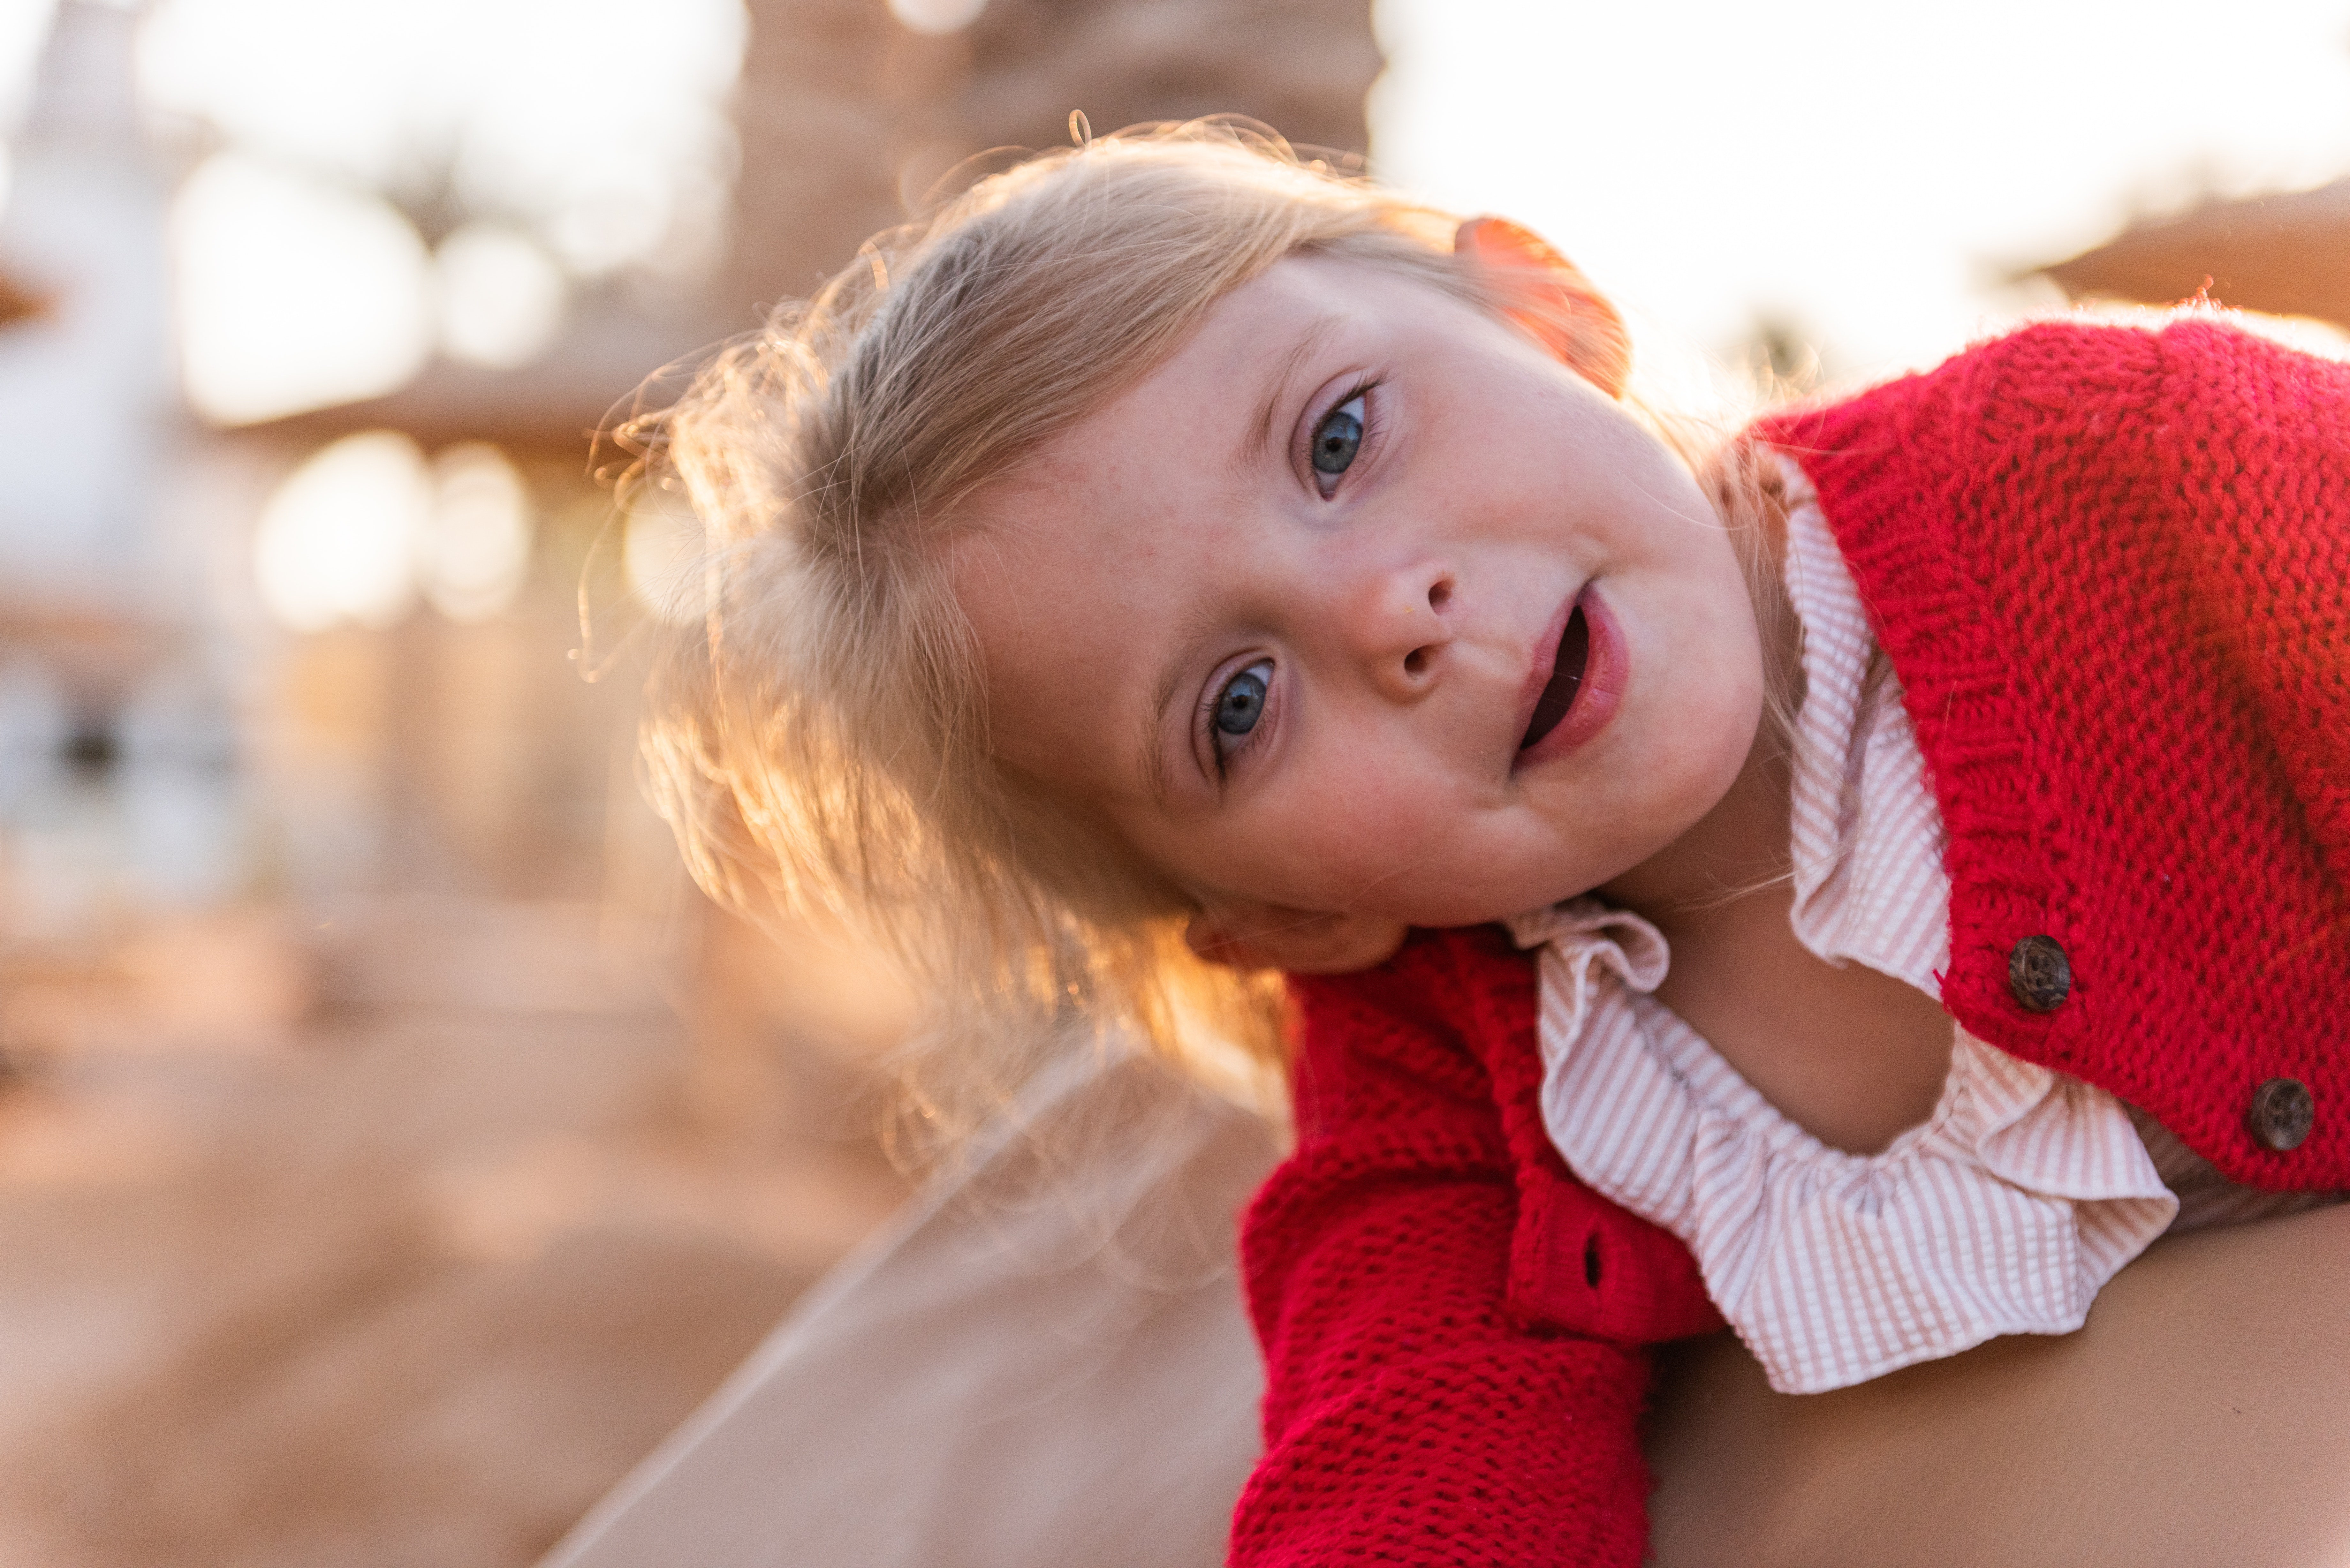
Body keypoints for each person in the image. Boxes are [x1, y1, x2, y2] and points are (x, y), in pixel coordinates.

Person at [632, 119, 2350, 1564]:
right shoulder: (1451, 1057)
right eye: (1236, 706)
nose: (1389, 609)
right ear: (1280, 920)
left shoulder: (2124, 476)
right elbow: (1412, 1467)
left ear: (1549, 314)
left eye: (1339, 438)